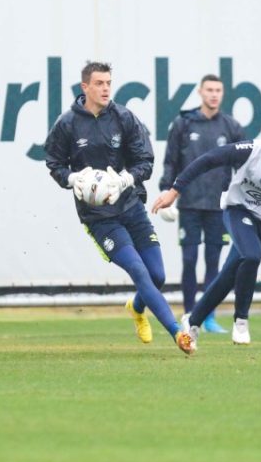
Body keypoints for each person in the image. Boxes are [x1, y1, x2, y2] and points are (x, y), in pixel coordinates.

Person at [45, 61, 194, 354]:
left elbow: (145, 161)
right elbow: (54, 163)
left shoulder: (124, 117)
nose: (105, 89)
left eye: (108, 83)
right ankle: (178, 333)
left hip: (130, 206)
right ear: (84, 87)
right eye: (99, 83)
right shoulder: (67, 124)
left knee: (157, 276)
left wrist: (124, 179)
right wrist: (74, 178)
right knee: (138, 271)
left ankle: (136, 308)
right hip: (99, 218)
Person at [153, 113, 261, 347]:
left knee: (228, 276)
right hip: (238, 210)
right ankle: (241, 320)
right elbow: (207, 160)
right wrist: (174, 191)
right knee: (252, 255)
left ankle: (192, 321)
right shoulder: (249, 150)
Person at [158, 74, 245, 333]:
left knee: (214, 261)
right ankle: (188, 313)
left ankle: (208, 317)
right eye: (209, 90)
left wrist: (241, 198)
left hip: (219, 206)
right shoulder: (184, 124)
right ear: (200, 92)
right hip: (190, 205)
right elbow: (170, 161)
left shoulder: (231, 126)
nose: (214, 94)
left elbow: (244, 166)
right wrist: (166, 191)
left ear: (223, 93)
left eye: (218, 90)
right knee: (189, 258)